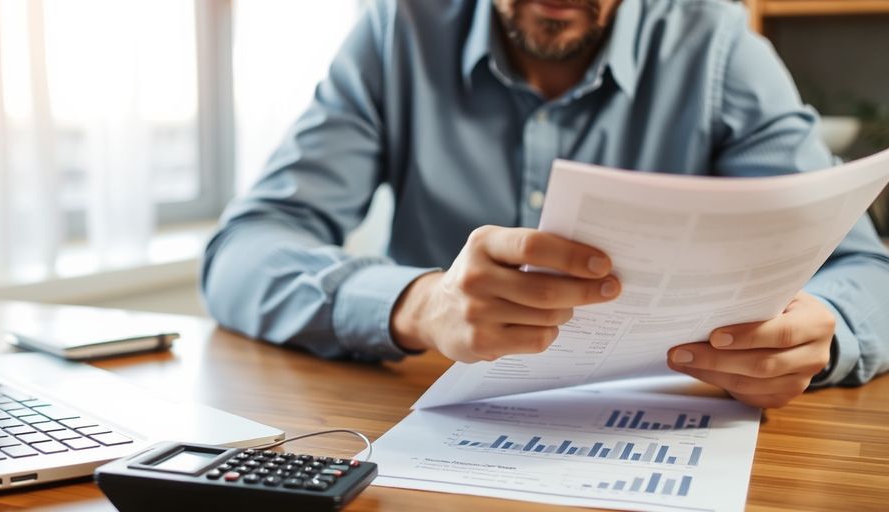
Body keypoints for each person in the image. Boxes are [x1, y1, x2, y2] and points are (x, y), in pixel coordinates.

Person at [202, 0, 889, 408]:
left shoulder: (716, 44)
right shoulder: (399, 30)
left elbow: (867, 273)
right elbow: (244, 251)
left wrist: (822, 333)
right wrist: (419, 303)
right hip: (429, 443)